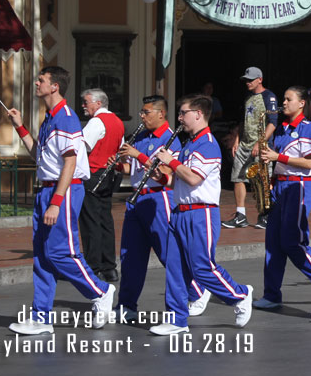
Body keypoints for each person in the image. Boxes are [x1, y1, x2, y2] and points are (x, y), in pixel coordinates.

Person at [6, 66, 114, 335]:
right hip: (47, 189)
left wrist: (56, 201)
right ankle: (41, 318)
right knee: (42, 256)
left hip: (63, 190)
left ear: (54, 86)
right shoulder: (49, 118)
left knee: (59, 252)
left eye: (41, 80)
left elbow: (70, 162)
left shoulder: (65, 118)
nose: (37, 83)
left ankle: (101, 291)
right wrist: (20, 127)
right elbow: (39, 157)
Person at [149, 94, 253, 335]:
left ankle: (240, 295)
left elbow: (195, 178)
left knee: (202, 267)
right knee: (175, 268)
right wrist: (162, 176)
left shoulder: (207, 143)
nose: (179, 118)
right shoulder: (190, 143)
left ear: (198, 114)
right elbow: (180, 180)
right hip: (180, 212)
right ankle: (176, 319)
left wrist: (170, 162)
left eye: (183, 113)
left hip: (201, 213)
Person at [112, 95, 210, 321]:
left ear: (160, 114)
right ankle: (127, 305)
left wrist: (139, 155)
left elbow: (167, 173)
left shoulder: (170, 139)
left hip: (159, 198)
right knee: (130, 255)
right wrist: (119, 165)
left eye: (146, 112)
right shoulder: (141, 137)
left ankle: (197, 291)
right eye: (142, 111)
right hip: (137, 199)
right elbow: (134, 169)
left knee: (168, 253)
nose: (142, 116)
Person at [254, 86, 311, 309]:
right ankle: (271, 294)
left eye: (288, 99)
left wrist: (278, 156)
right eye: (284, 99)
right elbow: (278, 159)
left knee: (292, 241)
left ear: (301, 103)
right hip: (279, 186)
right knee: (273, 243)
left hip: (298, 187)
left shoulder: (308, 128)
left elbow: (308, 163)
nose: (283, 103)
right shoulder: (281, 128)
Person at [78, 88, 124, 282]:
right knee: (105, 219)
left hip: (94, 172)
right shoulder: (117, 121)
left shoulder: (97, 122)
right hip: (108, 174)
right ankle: (109, 266)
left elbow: (82, 146)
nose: (83, 106)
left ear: (98, 103)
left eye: (86, 102)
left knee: (90, 221)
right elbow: (120, 147)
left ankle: (93, 265)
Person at [223, 66, 278, 230]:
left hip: (261, 145)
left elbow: (272, 123)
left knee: (262, 179)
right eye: (246, 80)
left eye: (250, 79)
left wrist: (259, 142)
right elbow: (243, 121)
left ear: (259, 79)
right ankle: (240, 215)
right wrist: (236, 140)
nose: (247, 82)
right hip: (244, 144)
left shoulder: (269, 97)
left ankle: (265, 214)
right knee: (238, 177)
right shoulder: (247, 97)